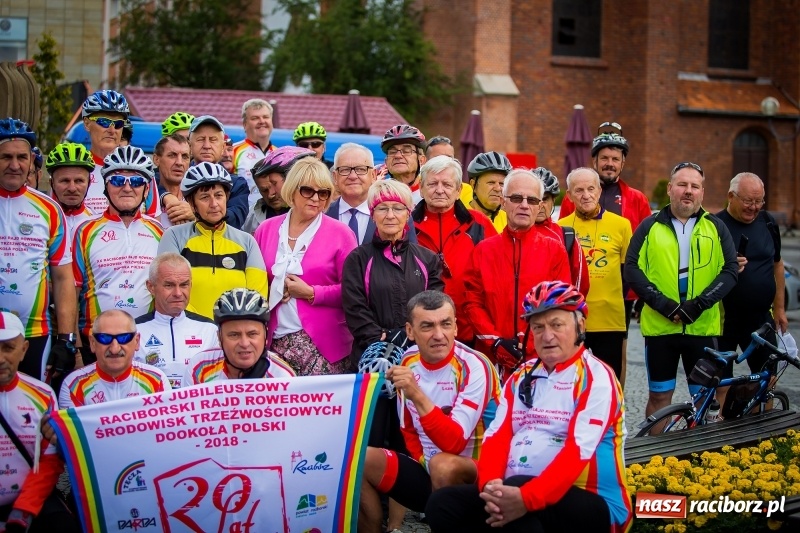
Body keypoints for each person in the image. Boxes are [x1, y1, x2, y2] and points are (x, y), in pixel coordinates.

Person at [425, 281, 632, 533]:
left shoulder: (597, 377)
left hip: (594, 501)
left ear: (580, 326)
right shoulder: (521, 375)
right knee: (442, 504)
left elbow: (576, 452)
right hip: (518, 491)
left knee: (518, 502)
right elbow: (497, 437)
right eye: (538, 327)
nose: (547, 336)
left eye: (557, 325)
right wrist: (490, 487)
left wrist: (524, 499)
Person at [342, 179, 444, 532]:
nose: (389, 214)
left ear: (407, 214)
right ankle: (370, 521)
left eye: (397, 208)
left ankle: (398, 524)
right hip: (371, 363)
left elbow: (435, 305)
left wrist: (408, 337)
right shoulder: (358, 258)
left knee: (406, 438)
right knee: (370, 439)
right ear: (372, 214)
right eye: (382, 208)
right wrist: (379, 340)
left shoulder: (427, 258)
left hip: (414, 363)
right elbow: (354, 306)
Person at [358, 291, 501, 533]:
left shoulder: (475, 366)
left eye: (445, 324)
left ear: (456, 327)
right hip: (430, 468)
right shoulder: (408, 360)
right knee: (359, 459)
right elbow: (407, 429)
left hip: (479, 477)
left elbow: (454, 443)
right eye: (427, 326)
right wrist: (424, 462)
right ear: (410, 331)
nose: (438, 335)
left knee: (443, 465)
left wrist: (417, 393)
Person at [624, 161, 738, 417]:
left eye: (695, 186)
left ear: (702, 192)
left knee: (704, 398)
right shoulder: (649, 226)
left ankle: (700, 444)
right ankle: (657, 444)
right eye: (682, 184)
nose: (688, 191)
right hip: (661, 328)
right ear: (670, 189)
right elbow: (631, 268)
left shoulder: (716, 227)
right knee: (659, 397)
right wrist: (663, 304)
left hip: (701, 328)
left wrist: (698, 305)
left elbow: (730, 270)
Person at [255, 158, 357, 376]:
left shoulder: (341, 234)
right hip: (273, 343)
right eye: (308, 191)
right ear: (292, 190)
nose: (316, 198)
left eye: (323, 193)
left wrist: (311, 293)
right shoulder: (266, 229)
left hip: (324, 346)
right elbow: (255, 281)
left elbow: (353, 291)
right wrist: (275, 288)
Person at [464, 169, 571, 376]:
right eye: (516, 198)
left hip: (540, 358)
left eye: (532, 200)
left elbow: (560, 306)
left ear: (539, 206)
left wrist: (529, 344)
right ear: (503, 202)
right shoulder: (483, 250)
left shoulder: (555, 251)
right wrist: (495, 342)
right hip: (491, 359)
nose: (524, 205)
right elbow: (472, 303)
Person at [0, 118, 77, 383]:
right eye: (6, 157)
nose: (15, 165)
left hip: (34, 332)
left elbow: (63, 278)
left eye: (22, 157)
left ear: (32, 160)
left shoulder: (49, 209)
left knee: (32, 403)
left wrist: (66, 338)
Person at [73, 146, 163, 362]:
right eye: (117, 180)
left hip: (147, 342)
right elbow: (70, 291)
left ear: (146, 190)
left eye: (136, 181)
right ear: (105, 187)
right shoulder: (85, 231)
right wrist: (74, 346)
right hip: (96, 343)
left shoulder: (159, 231)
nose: (127, 188)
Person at [0, 311, 80, 533]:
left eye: (8, 348)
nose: (0, 358)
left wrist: (23, 511)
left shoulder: (43, 395)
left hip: (30, 501)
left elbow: (50, 460)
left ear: (24, 349)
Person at [157, 162, 268, 319]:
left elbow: (256, 296)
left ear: (226, 198)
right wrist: (202, 327)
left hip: (233, 329)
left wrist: (231, 328)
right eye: (204, 197)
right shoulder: (174, 236)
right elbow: (170, 290)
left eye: (219, 195)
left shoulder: (247, 242)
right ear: (191, 204)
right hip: (188, 328)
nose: (214, 204)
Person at [717, 172, 786, 405]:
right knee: (721, 383)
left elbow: (777, 264)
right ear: (731, 196)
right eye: (748, 201)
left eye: (759, 201)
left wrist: (780, 308)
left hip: (760, 319)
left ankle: (762, 426)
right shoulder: (715, 225)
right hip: (723, 319)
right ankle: (720, 426)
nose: (754, 207)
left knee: (768, 379)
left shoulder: (768, 222)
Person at [412, 155, 496, 345]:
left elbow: (496, 274)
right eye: (432, 184)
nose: (439, 190)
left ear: (458, 190)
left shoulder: (479, 224)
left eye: (447, 184)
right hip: (422, 330)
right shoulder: (406, 225)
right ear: (421, 189)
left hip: (471, 329)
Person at [558, 168, 631, 380]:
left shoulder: (621, 225)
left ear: (599, 191)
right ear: (569, 195)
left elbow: (628, 272)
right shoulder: (559, 227)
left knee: (609, 379)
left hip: (609, 318)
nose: (586, 195)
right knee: (568, 380)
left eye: (591, 189)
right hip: (571, 318)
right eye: (579, 190)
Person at [134, 253, 219, 388]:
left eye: (184, 285)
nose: (178, 293)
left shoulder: (209, 329)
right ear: (151, 287)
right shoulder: (133, 330)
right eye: (169, 285)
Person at [58, 310, 170, 409]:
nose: (114, 349)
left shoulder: (157, 380)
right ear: (92, 343)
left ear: (137, 341)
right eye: (104, 338)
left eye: (124, 338)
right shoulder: (73, 385)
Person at [184, 288, 296, 383]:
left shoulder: (283, 378)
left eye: (252, 334)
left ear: (266, 336)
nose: (244, 343)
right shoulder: (199, 368)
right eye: (234, 335)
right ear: (219, 337)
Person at [160, 115, 250, 230]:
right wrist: (166, 196)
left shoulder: (237, 184)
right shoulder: (177, 173)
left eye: (213, 140)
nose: (207, 146)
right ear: (189, 145)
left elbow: (235, 219)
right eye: (200, 139)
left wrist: (197, 214)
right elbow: (152, 180)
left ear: (223, 147)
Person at [80, 90, 159, 218]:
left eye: (118, 123)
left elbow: (154, 222)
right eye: (104, 122)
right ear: (87, 123)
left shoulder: (142, 169)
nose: (112, 130)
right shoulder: (76, 169)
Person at [531, 166, 589, 297]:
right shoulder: (512, 233)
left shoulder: (566, 236)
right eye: (534, 199)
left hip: (556, 307)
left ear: (553, 201)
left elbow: (581, 282)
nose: (540, 205)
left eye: (545, 198)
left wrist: (570, 307)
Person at [242, 146, 316, 234]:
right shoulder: (250, 216)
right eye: (264, 190)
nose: (270, 194)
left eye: (274, 184)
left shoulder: (312, 210)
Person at [45, 142, 96, 242]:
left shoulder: (96, 222)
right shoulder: (40, 220)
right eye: (65, 181)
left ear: (89, 183)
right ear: (52, 183)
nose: (72, 188)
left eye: (79, 181)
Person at [232, 99, 276, 208]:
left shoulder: (280, 154)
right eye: (255, 118)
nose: (262, 121)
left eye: (266, 117)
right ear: (244, 124)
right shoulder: (233, 151)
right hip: (243, 217)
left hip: (272, 217)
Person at [152, 133, 193, 228]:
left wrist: (197, 217)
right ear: (156, 159)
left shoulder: (197, 200)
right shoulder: (144, 199)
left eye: (185, 157)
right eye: (172, 155)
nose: (179, 162)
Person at [381, 124, 427, 205]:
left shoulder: (430, 194)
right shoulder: (377, 193)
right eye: (392, 152)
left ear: (421, 160)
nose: (398, 156)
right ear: (386, 161)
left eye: (406, 151)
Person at [466, 151, 512, 232]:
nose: (498, 188)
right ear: (473, 185)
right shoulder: (459, 218)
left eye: (502, 184)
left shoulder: (510, 222)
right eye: (491, 182)